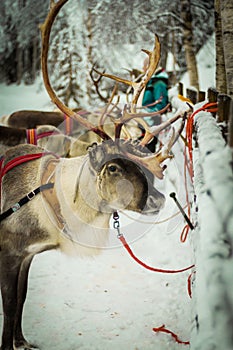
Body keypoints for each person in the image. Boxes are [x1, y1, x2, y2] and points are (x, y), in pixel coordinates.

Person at [139, 59, 169, 152]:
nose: (142, 68)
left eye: (144, 66)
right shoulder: (150, 82)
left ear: (150, 67)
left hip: (151, 123)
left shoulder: (158, 84)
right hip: (143, 122)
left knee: (147, 152)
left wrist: (146, 115)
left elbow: (161, 105)